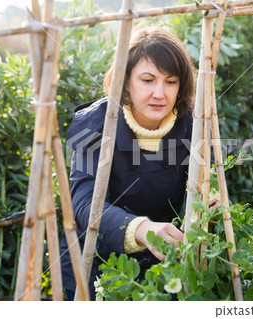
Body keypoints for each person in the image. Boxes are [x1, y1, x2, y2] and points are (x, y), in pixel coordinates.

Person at [59, 24, 196, 300]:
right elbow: (84, 205)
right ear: (125, 81)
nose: (160, 93)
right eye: (148, 80)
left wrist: (211, 196)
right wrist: (142, 228)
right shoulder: (93, 125)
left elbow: (211, 177)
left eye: (170, 82)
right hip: (97, 265)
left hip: (163, 261)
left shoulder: (193, 124)